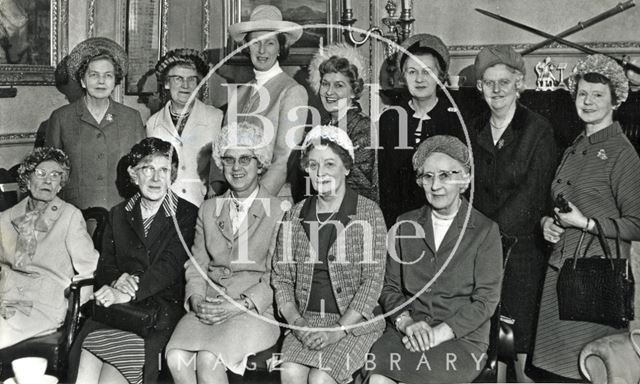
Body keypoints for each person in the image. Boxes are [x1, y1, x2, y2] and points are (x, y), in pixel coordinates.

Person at [532, 54, 640, 381]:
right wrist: (546, 224)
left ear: (615, 101)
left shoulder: (623, 154)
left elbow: (637, 224)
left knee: (582, 371)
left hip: (596, 279)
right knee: (551, 374)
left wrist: (587, 224)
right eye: (582, 94)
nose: (588, 101)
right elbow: (562, 202)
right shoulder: (575, 145)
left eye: (597, 95)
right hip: (559, 272)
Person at [365, 135, 503, 384]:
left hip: (460, 338)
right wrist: (406, 322)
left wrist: (438, 334)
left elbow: (485, 302)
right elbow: (389, 287)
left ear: (465, 180)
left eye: (446, 175)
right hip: (409, 330)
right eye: (428, 176)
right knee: (376, 375)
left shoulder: (485, 231)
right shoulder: (403, 224)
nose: (436, 185)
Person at [165, 121, 283, 383]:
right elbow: (197, 264)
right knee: (175, 356)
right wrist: (196, 300)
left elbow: (279, 276)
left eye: (245, 159)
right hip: (209, 306)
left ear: (260, 163)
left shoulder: (280, 211)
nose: (236, 167)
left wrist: (239, 305)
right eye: (228, 159)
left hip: (254, 311)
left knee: (209, 359)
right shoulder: (208, 209)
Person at [73, 137, 198, 384]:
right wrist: (118, 281)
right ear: (133, 173)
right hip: (118, 308)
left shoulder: (186, 213)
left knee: (109, 379)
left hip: (158, 309)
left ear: (172, 175)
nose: (155, 178)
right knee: (82, 369)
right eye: (147, 169)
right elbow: (106, 265)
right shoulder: (118, 213)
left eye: (163, 170)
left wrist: (129, 292)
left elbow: (169, 267)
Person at [271, 125, 387, 384]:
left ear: (346, 167)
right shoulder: (294, 215)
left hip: (354, 324)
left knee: (321, 378)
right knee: (290, 371)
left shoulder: (368, 213)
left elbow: (372, 281)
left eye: (330, 164)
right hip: (306, 321)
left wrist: (337, 331)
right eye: (313, 165)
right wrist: (298, 323)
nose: (321, 172)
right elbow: (282, 279)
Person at [469, 45, 557, 381]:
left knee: (516, 338)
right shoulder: (474, 127)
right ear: (479, 88)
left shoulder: (538, 129)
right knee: (489, 337)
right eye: (488, 83)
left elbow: (533, 194)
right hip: (480, 249)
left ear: (519, 83)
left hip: (521, 253)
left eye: (503, 82)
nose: (496, 90)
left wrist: (487, 233)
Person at [0, 147, 98, 349]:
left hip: (42, 306)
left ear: (60, 185)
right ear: (27, 180)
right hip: (6, 299)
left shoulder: (69, 216)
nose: (48, 180)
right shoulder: (5, 218)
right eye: (41, 174)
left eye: (55, 176)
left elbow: (90, 269)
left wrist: (77, 316)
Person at [209, 4, 308, 200]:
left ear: (281, 48)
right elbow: (223, 153)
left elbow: (283, 161)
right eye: (256, 43)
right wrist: (215, 195)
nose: (262, 50)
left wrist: (254, 204)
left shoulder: (292, 91)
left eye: (270, 43)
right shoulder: (239, 93)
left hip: (271, 199)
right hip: (234, 199)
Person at [45, 37, 145, 210]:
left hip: (122, 210)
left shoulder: (132, 118)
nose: (101, 81)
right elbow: (49, 171)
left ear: (115, 81)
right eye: (94, 75)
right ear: (83, 81)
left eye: (108, 75)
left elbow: (143, 168)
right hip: (74, 212)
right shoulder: (61, 118)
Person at [378, 34, 465, 225]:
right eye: (412, 72)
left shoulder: (456, 119)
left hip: (445, 219)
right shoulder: (390, 119)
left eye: (427, 72)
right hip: (399, 219)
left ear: (440, 75)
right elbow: (385, 182)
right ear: (403, 76)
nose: (419, 79)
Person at [146, 48, 223, 207]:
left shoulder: (216, 118)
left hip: (204, 207)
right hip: (167, 211)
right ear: (167, 83)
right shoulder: (153, 124)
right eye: (178, 79)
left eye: (192, 79)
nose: (185, 85)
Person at [307, 44, 378, 202]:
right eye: (325, 84)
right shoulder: (322, 126)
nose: (329, 92)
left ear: (353, 91)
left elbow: (360, 183)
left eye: (339, 85)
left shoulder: (362, 126)